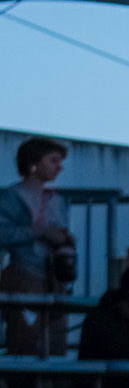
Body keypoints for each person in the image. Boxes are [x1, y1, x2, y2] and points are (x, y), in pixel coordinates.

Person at [7, 137, 68, 355]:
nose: (59, 167)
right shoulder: (12, 196)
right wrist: (39, 231)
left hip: (55, 278)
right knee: (25, 339)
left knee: (55, 340)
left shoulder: (56, 199)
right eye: (53, 160)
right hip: (25, 274)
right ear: (33, 162)